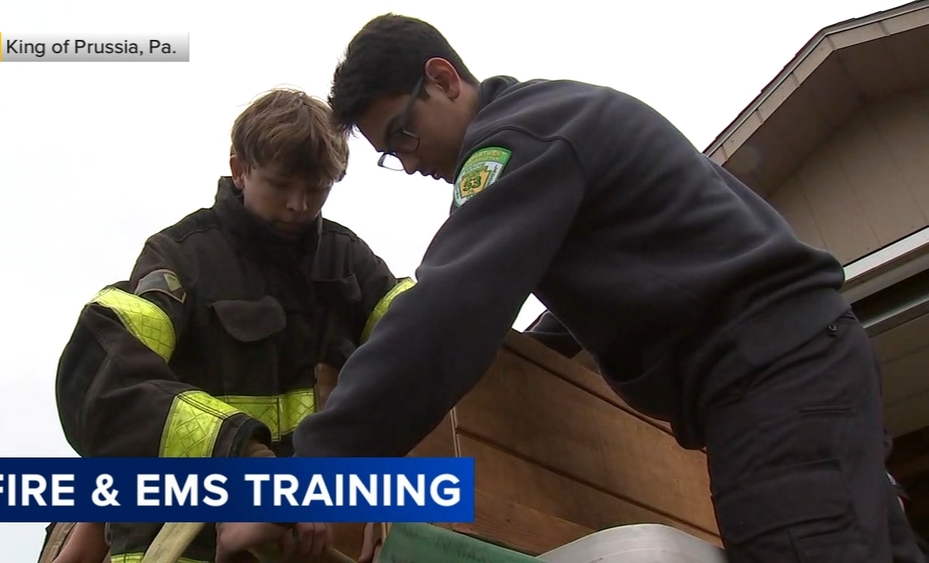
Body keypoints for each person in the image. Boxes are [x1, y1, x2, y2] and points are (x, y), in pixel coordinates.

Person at [213, 13, 929, 563]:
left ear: (445, 78)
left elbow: (446, 314)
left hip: (774, 381)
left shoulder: (515, 143)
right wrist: (530, 358)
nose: (410, 160)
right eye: (389, 155)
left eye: (403, 134)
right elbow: (617, 284)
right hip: (804, 368)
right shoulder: (556, 120)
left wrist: (304, 479)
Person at [48, 87, 409, 563]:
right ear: (240, 169)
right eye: (280, 185)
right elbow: (105, 379)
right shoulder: (181, 258)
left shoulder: (348, 262)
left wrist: (391, 514)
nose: (299, 205)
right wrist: (248, 463)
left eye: (317, 188)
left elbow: (422, 342)